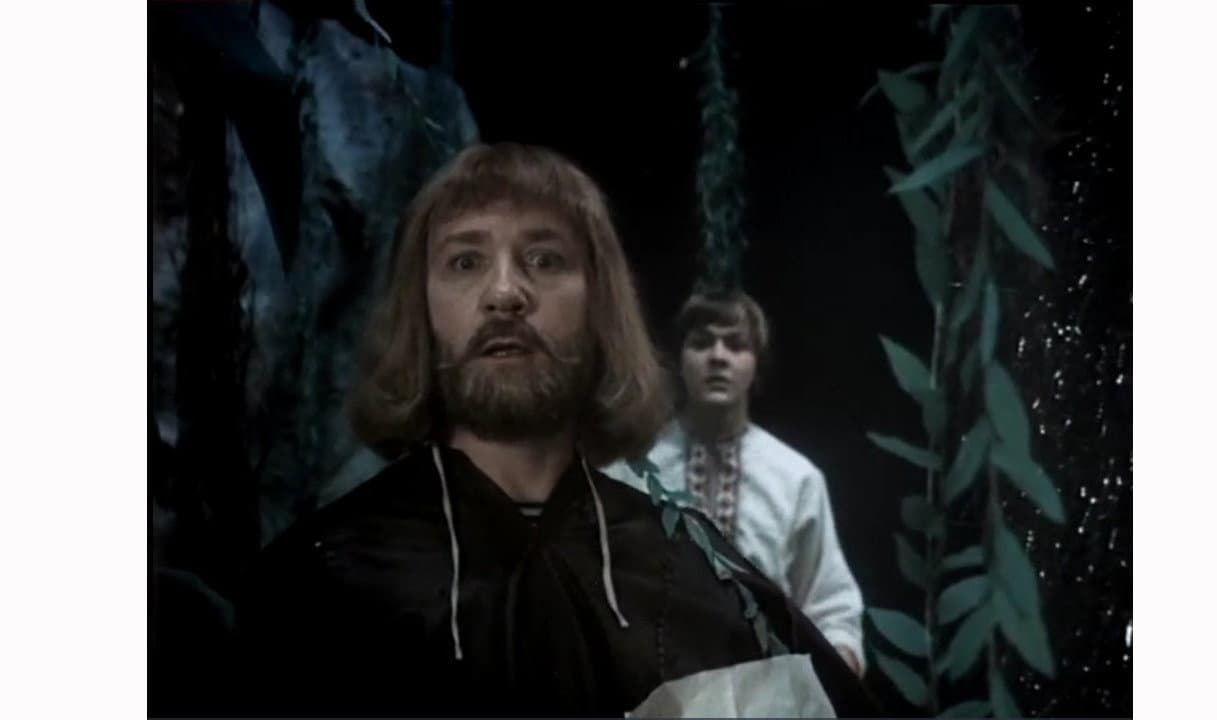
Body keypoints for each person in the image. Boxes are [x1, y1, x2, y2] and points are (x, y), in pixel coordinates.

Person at [233, 143, 878, 717]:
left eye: (544, 259)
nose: (505, 292)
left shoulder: (694, 574)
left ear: (599, 307)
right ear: (422, 311)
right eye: (465, 261)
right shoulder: (322, 583)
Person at [602, 291, 869, 675]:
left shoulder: (795, 479)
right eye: (701, 342)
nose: (718, 356)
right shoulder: (629, 473)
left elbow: (831, 605)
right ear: (679, 359)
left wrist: (835, 666)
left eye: (736, 344)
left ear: (756, 363)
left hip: (768, 689)